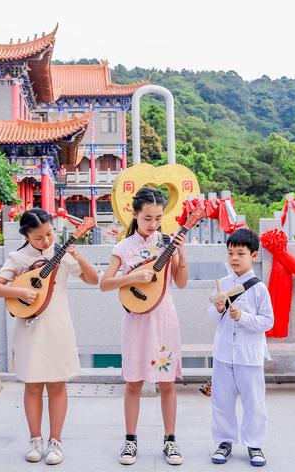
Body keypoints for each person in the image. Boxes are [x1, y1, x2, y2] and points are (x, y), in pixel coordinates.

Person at [0, 208, 98, 465]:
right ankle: (35, 439)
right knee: (33, 384)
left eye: (49, 234)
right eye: (38, 237)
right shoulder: (18, 258)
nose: (46, 241)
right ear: (26, 235)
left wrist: (78, 257)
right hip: (29, 328)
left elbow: (93, 280)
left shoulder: (62, 253)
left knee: (58, 384)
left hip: (58, 326)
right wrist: (18, 293)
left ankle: (56, 441)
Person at [99, 187, 188, 466]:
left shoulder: (168, 243)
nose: (153, 224)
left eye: (158, 218)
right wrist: (132, 277)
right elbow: (105, 284)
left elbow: (181, 282)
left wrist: (181, 255)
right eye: (147, 218)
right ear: (135, 214)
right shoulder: (123, 248)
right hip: (136, 321)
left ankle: (170, 441)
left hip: (164, 319)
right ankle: (130, 440)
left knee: (168, 383)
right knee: (134, 383)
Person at [208, 228, 274, 467]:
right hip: (224, 353)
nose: (234, 258)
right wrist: (218, 310)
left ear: (253, 255)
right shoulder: (222, 283)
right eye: (230, 253)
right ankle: (224, 442)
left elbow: (268, 322)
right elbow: (213, 318)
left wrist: (243, 317)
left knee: (254, 401)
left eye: (240, 253)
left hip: (249, 355)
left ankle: (254, 444)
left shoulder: (259, 288)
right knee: (221, 400)